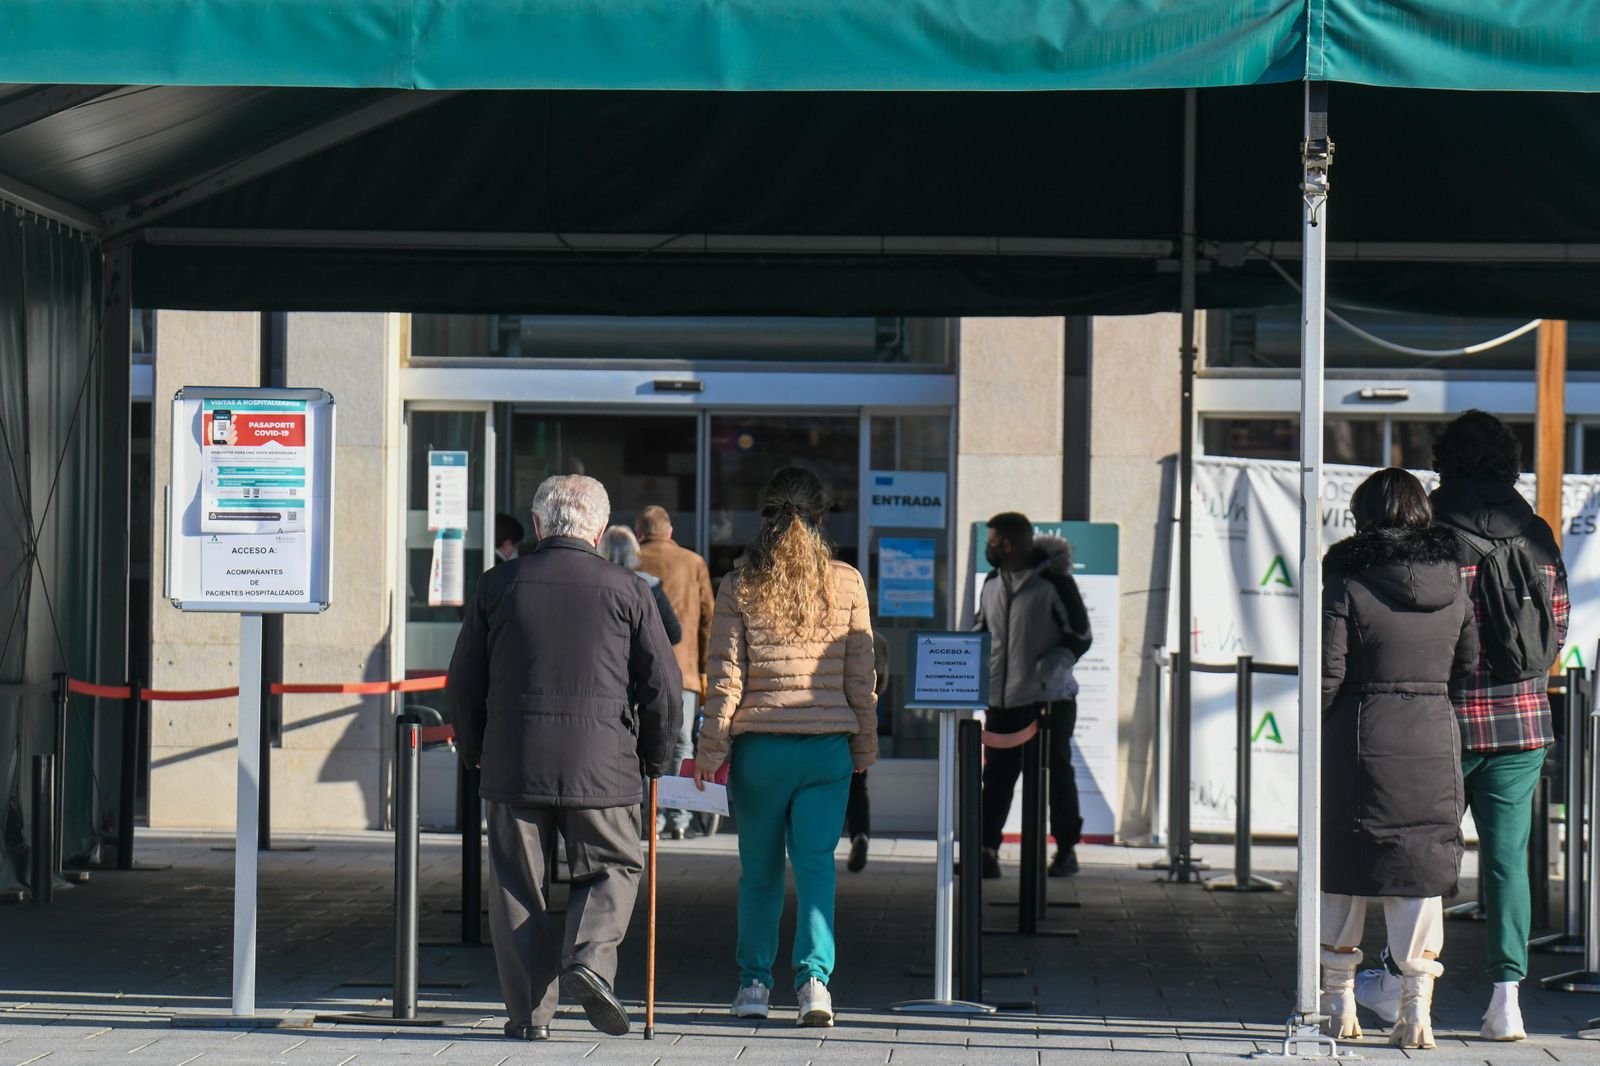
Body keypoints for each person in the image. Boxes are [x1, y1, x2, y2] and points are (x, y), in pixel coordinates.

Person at [447, 475, 682, 1042]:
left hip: (514, 761)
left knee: (516, 886)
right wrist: (655, 759)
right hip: (602, 764)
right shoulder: (630, 589)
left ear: (537, 524)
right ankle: (591, 959)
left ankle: (530, 1017)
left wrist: (476, 753)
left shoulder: (497, 584)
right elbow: (664, 687)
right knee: (614, 864)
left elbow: (463, 682)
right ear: (599, 530)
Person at [1357, 412, 1567, 1042]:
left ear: (1444, 460)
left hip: (1438, 723)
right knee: (1507, 863)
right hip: (1521, 723)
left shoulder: (1429, 531)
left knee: (1424, 860)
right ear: (1509, 462)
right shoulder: (1536, 532)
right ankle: (1507, 1000)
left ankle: (1398, 985)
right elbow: (1557, 625)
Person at [692, 467, 877, 1028]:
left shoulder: (740, 583)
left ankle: (753, 984)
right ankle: (814, 984)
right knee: (817, 868)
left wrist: (709, 750)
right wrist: (863, 747)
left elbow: (725, 678)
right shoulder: (847, 582)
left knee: (760, 871)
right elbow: (860, 677)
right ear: (822, 517)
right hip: (826, 749)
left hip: (761, 751)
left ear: (765, 515)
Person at [1319, 468, 1477, 1049]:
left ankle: (1338, 1003)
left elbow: (1328, 672)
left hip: (1359, 736)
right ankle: (1416, 1009)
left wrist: (1321, 728)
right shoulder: (1454, 583)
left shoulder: (1346, 581)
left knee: (1343, 863)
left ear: (1364, 518)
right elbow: (1468, 663)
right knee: (1419, 869)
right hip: (1433, 735)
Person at [974, 514, 1092, 879]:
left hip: (1048, 701)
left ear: (1008, 545)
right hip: (1001, 701)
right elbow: (981, 628)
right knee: (996, 778)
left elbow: (1081, 634)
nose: (989, 548)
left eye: (992, 542)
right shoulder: (992, 582)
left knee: (1056, 774)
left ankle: (1067, 850)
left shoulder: (1055, 582)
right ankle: (986, 851)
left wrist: (1049, 668)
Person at [637, 505, 716, 839]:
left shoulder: (631, 560)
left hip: (641, 670)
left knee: (645, 743)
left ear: (639, 533)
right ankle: (680, 819)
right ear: (670, 532)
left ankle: (651, 819)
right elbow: (709, 619)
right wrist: (705, 669)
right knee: (682, 745)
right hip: (684, 671)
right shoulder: (693, 562)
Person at [844, 633, 890, 873]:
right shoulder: (877, 640)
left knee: (822, 787)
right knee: (857, 786)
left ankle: (821, 843)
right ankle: (860, 834)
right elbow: (881, 685)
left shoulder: (828, 632)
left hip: (828, 721)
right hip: (861, 721)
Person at [600, 525, 683, 646]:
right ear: (634, 551)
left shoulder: (590, 584)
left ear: (602, 550)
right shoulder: (649, 584)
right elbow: (674, 633)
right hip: (636, 656)